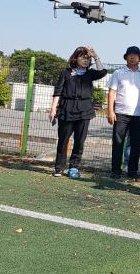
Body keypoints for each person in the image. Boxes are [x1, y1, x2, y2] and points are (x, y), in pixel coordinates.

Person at [49, 46, 107, 178]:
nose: (86, 60)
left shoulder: (90, 73)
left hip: (85, 109)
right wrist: (53, 108)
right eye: (83, 57)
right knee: (63, 139)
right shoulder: (66, 72)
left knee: (79, 141)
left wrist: (95, 55)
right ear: (75, 58)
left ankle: (74, 167)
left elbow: (102, 72)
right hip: (67, 108)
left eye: (88, 58)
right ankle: (59, 167)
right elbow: (58, 91)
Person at [106, 46, 140, 179]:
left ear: (139, 58)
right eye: (129, 55)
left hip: (138, 115)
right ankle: (115, 170)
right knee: (118, 143)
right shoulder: (118, 73)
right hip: (120, 114)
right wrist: (110, 111)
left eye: (135, 55)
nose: (132, 57)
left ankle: (132, 171)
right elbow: (112, 92)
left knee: (136, 145)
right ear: (126, 57)